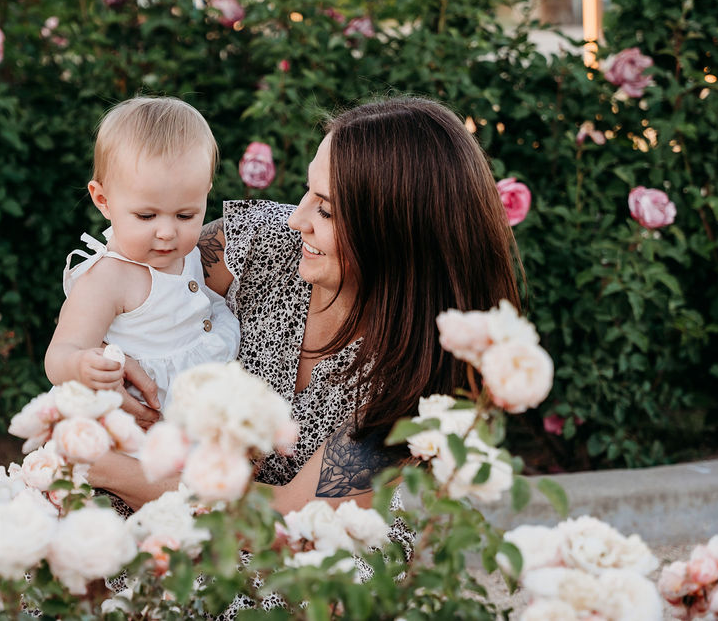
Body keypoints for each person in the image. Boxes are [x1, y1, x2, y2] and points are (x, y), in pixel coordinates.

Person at [88, 96, 521, 514]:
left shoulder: (421, 379)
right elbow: (113, 282)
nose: (297, 219)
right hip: (170, 498)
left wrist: (103, 466)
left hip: (297, 554)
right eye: (307, 191)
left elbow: (289, 515)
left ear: (396, 235)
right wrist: (108, 360)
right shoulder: (263, 243)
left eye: (327, 211)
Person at [44, 97, 239, 412]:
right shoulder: (108, 279)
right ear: (103, 199)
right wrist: (81, 364)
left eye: (186, 215)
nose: (167, 232)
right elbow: (59, 354)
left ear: (206, 193)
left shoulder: (185, 253)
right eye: (147, 216)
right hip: (144, 422)